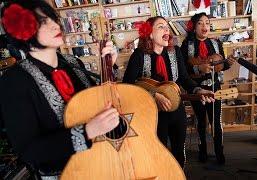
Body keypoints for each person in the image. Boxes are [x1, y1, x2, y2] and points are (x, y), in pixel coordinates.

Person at [0, 0, 120, 178]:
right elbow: (28, 150)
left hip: (101, 162)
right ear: (23, 31)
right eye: (42, 22)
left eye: (53, 18)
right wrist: (88, 131)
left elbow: (99, 103)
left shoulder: (73, 63)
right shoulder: (14, 81)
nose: (55, 25)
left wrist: (110, 65)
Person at [122, 16, 214, 168]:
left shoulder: (175, 52)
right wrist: (153, 95)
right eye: (160, 27)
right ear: (150, 34)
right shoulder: (138, 55)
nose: (166, 30)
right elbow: (128, 86)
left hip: (177, 111)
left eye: (167, 27)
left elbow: (184, 78)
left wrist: (198, 90)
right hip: (152, 116)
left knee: (179, 152)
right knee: (158, 153)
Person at [180, 13, 234, 164]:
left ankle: (219, 152)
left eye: (207, 23)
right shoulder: (186, 45)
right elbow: (184, 70)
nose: (205, 26)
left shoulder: (216, 43)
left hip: (214, 87)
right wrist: (199, 69)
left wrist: (228, 63)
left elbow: (221, 66)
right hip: (197, 89)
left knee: (216, 122)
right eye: (200, 23)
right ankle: (202, 150)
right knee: (201, 122)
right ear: (193, 27)